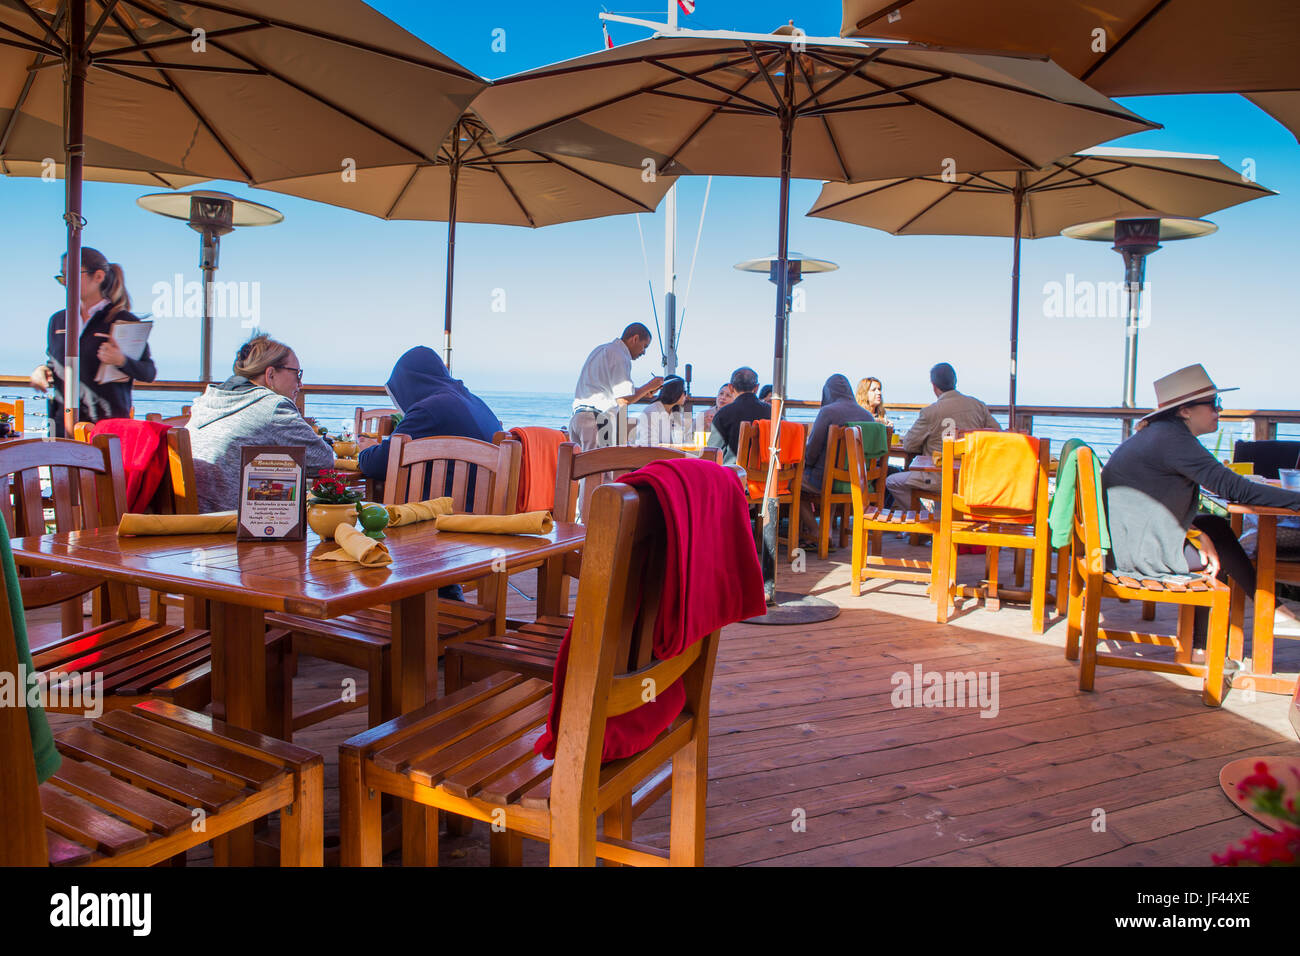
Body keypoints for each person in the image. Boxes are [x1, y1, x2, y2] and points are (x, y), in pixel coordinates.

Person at [1102, 364, 1300, 662]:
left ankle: (1254, 616)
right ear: (1185, 411)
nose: (1219, 410)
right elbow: (1236, 490)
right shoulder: (1174, 440)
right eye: (1213, 404)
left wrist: (1194, 532)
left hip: (1131, 542)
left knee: (1214, 528)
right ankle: (1218, 638)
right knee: (1215, 554)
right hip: (1140, 554)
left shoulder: (1162, 435)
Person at [187, 335, 334, 512]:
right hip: (232, 522)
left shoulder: (206, 402)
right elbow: (322, 461)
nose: (300, 383)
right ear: (270, 374)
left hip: (192, 518)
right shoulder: (271, 406)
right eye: (297, 374)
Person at [30, 247, 156, 436]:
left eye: (72, 275)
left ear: (98, 276)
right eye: (62, 276)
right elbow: (55, 363)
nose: (66, 283)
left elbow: (148, 372)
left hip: (105, 427)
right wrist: (42, 371)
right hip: (61, 424)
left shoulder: (121, 320)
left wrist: (121, 360)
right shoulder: (57, 320)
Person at [358, 346, 503, 479]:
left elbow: (377, 465)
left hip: (446, 505)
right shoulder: (475, 402)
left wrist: (367, 449)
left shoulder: (428, 410)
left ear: (408, 385)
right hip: (485, 501)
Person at [886, 362, 999, 512]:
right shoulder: (978, 406)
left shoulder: (931, 412)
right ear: (955, 381)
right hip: (972, 478)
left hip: (939, 478)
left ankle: (926, 520)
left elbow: (909, 445)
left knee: (893, 481)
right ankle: (939, 521)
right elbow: (997, 434)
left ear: (934, 386)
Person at [799, 374, 874, 546]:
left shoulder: (828, 412)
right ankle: (828, 531)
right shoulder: (868, 416)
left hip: (826, 481)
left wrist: (803, 465)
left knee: (791, 483)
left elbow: (811, 452)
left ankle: (817, 532)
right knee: (833, 478)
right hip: (858, 483)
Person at [569, 323, 663, 451]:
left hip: (577, 419)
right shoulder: (620, 355)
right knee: (601, 469)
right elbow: (623, 400)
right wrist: (648, 386)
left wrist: (643, 392)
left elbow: (609, 390)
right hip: (597, 420)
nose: (644, 352)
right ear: (635, 339)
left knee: (582, 469)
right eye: (644, 346)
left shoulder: (601, 350)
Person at [707, 367, 770, 465]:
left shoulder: (723, 414)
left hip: (733, 475)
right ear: (756, 388)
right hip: (769, 476)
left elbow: (712, 452)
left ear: (731, 387)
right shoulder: (773, 413)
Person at [638, 375, 689, 445]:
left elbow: (683, 442)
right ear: (675, 392)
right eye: (684, 392)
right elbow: (649, 445)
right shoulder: (651, 412)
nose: (686, 396)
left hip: (672, 454)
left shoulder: (676, 415)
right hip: (652, 455)